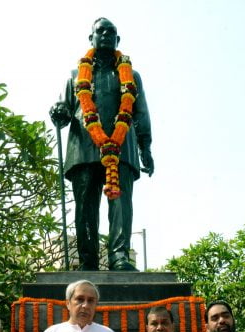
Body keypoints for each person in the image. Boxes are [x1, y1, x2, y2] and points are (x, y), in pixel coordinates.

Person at [50, 17, 153, 271]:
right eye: (100, 31)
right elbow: (63, 108)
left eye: (112, 32)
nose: (106, 35)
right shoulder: (75, 75)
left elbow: (141, 114)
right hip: (83, 147)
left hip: (122, 148)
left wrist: (145, 147)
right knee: (85, 208)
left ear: (117, 40)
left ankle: (119, 257)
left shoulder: (132, 76)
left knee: (121, 205)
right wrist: (59, 111)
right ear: (91, 38)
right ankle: (88, 260)